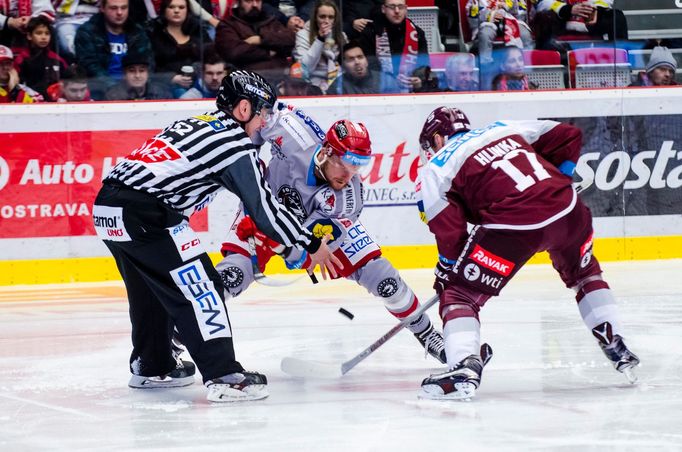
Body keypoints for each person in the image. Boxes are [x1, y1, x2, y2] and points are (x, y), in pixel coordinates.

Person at [92, 70, 340, 402]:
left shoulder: (197, 123)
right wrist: (309, 243)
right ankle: (224, 375)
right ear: (242, 109)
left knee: (150, 290)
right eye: (262, 112)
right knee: (202, 286)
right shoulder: (236, 142)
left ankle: (153, 366)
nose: (264, 122)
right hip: (147, 214)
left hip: (108, 208)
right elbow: (263, 210)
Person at [414, 106, 640, 400]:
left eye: (429, 145)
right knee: (584, 274)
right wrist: (561, 177)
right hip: (567, 208)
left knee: (460, 295)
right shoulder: (502, 127)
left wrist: (449, 270)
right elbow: (568, 134)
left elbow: (449, 232)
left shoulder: (436, 167)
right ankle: (614, 339)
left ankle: (463, 367)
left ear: (437, 138)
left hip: (512, 225)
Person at [216, 103, 447, 363]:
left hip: (300, 233)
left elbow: (301, 252)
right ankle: (176, 340)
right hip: (260, 212)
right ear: (327, 151)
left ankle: (427, 334)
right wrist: (249, 161)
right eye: (345, 164)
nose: (349, 176)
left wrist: (286, 248)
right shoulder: (292, 131)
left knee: (382, 277)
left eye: (358, 167)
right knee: (231, 277)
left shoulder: (347, 199)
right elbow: (258, 117)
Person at [74, 0, 152, 99]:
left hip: (135, 87)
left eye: (124, 8)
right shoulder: (87, 32)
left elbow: (148, 61)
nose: (119, 12)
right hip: (100, 90)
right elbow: (89, 66)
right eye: (114, 8)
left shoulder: (137, 31)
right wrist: (114, 87)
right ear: (102, 8)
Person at [214, 0, 295, 85]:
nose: (254, 5)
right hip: (246, 82)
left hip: (281, 80)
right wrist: (267, 52)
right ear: (239, 2)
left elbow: (289, 40)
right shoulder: (227, 25)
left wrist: (259, 40)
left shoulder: (271, 21)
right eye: (249, 1)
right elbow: (234, 52)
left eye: (258, 1)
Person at [356, 0, 430, 93]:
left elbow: (423, 63)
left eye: (401, 7)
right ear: (383, 9)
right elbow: (368, 67)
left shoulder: (417, 33)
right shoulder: (370, 32)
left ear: (406, 9)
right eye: (392, 7)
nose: (397, 11)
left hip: (410, 90)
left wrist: (419, 80)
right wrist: (391, 81)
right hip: (377, 91)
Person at [147, 0, 212, 96]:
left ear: (187, 10)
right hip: (164, 88)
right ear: (164, 10)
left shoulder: (199, 32)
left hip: (199, 85)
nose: (176, 11)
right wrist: (171, 78)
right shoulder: (154, 34)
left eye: (181, 7)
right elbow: (149, 67)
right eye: (171, 7)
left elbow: (211, 58)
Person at [531, 0, 628, 51]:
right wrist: (568, 9)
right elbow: (541, 4)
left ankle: (621, 65)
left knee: (617, 17)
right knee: (544, 18)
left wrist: (595, 9)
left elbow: (605, 1)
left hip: (590, 18)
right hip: (560, 19)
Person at [292, 0, 345, 93]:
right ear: (315, 18)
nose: (326, 21)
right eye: (322, 17)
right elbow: (304, 69)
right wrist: (320, 40)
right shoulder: (302, 35)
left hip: (337, 83)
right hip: (312, 85)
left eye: (331, 17)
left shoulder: (342, 36)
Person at [12, 16, 68, 99]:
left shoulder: (57, 59)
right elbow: (15, 85)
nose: (44, 37)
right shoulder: (21, 60)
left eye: (47, 33)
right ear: (29, 36)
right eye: (39, 33)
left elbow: (67, 82)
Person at [467, 0, 533, 65]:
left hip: (511, 20)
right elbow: (473, 20)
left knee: (525, 34)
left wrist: (511, 5)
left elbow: (521, 13)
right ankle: (485, 65)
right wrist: (491, 15)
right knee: (485, 35)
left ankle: (528, 64)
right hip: (488, 22)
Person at [327, 41, 400, 95]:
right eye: (351, 59)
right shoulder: (337, 87)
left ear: (367, 61)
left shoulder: (386, 81)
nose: (357, 62)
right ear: (343, 66)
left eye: (360, 57)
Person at [104, 52, 171, 100]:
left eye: (142, 71)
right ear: (124, 74)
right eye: (132, 71)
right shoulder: (113, 95)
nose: (137, 75)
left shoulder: (161, 93)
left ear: (148, 73)